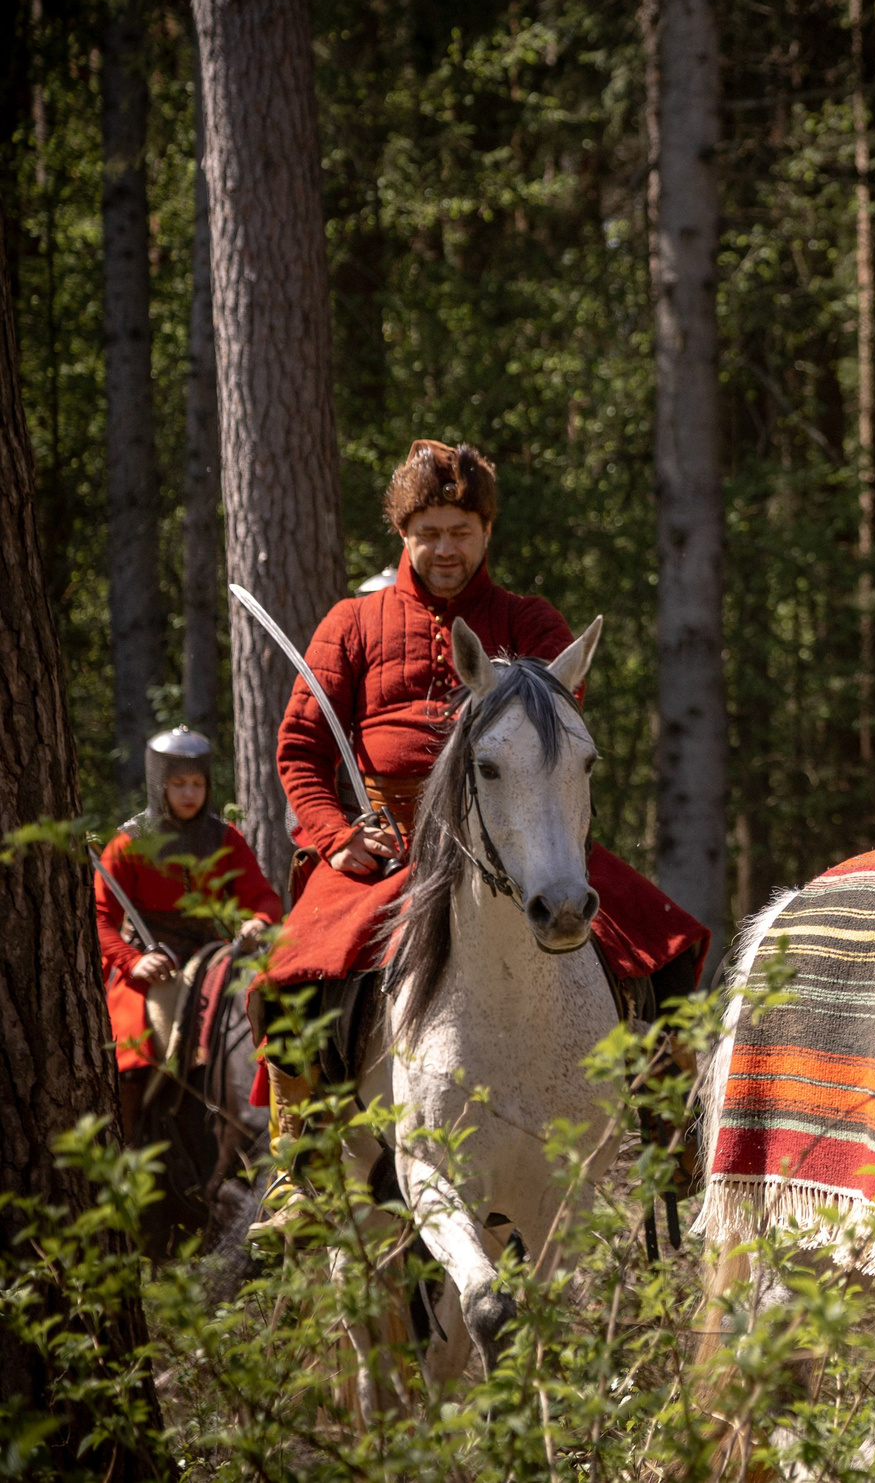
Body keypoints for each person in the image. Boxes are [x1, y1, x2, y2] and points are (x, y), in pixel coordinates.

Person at [259, 440, 709, 1133]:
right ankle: (302, 1157)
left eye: (460, 532)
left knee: (663, 944)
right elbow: (301, 749)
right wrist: (337, 836)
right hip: (392, 844)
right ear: (403, 536)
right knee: (295, 970)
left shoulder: (531, 621)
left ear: (487, 532)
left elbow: (557, 718)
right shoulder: (352, 623)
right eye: (428, 533)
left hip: (516, 834)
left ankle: (663, 1123)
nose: (445, 548)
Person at [94, 727, 282, 1143]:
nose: (188, 793)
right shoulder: (128, 844)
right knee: (135, 1055)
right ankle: (126, 1153)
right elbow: (99, 919)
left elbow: (263, 898)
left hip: (210, 955)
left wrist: (258, 921)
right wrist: (134, 961)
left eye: (196, 783)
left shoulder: (224, 837)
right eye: (178, 784)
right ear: (160, 785)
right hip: (151, 968)